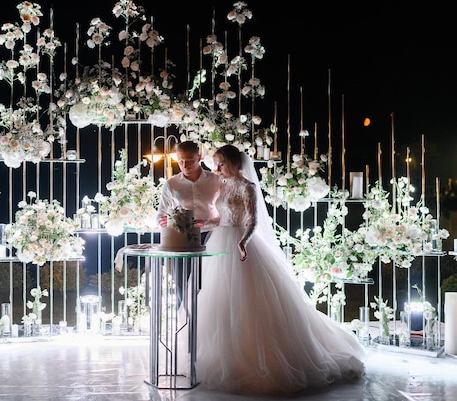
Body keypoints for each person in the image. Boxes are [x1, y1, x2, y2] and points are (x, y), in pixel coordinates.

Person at [195, 144, 366, 395]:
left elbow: (251, 220)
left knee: (250, 304)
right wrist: (203, 223)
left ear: (233, 162)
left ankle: (257, 357)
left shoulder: (247, 187)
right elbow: (222, 218)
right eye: (215, 163)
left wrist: (243, 241)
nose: (216, 168)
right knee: (218, 300)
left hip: (242, 247)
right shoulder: (221, 186)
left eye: (220, 163)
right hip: (220, 243)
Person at [156, 140, 222, 304]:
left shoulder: (215, 181)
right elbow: (160, 215)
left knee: (209, 284)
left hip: (211, 238)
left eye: (189, 161)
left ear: (199, 157)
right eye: (180, 161)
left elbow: (226, 214)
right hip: (181, 241)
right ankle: (184, 323)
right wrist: (164, 221)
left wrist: (206, 223)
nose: (185, 165)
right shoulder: (171, 184)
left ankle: (205, 325)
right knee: (182, 285)